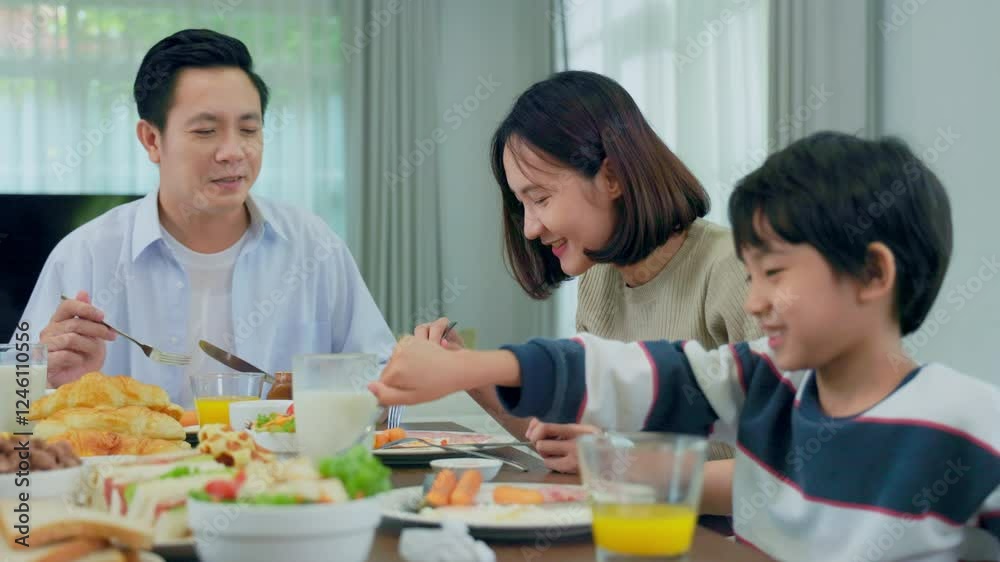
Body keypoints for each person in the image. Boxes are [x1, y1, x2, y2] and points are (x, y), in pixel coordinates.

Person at [372, 132, 1000, 561]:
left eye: (774, 274)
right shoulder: (761, 379)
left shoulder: (970, 424)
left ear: (872, 274)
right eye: (750, 276)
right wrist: (480, 367)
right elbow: (627, 373)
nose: (754, 301)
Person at [16, 29, 395, 407]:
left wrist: (336, 394)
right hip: (127, 448)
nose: (233, 151)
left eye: (249, 129)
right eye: (206, 131)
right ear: (152, 140)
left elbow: (380, 375)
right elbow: (15, 400)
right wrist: (45, 379)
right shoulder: (86, 254)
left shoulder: (312, 245)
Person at [415, 70, 759, 476]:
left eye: (540, 198)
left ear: (612, 177)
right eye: (522, 205)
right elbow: (566, 439)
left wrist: (619, 464)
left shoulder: (739, 272)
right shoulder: (600, 280)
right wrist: (468, 372)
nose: (529, 229)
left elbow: (786, 467)